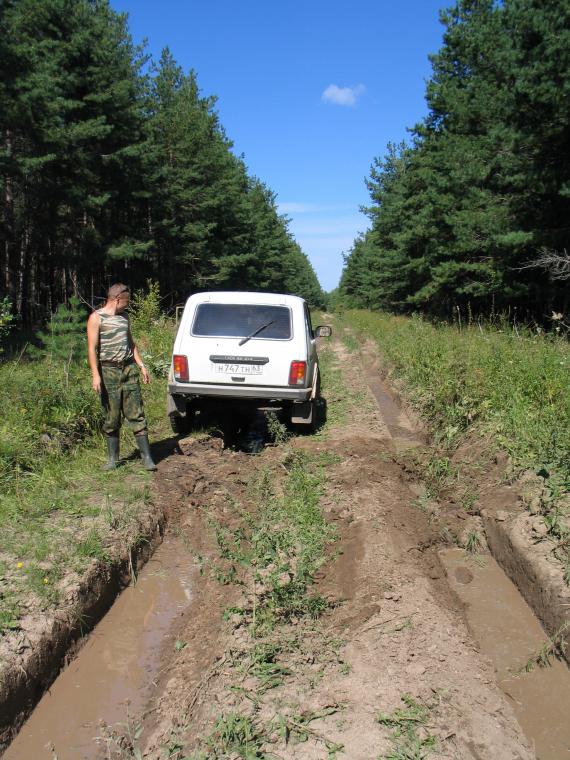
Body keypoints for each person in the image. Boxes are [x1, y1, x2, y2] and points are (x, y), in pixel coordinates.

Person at [87, 283, 157, 471]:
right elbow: (92, 349)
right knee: (112, 415)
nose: (128, 304)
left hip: (128, 369)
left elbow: (131, 344)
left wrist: (141, 365)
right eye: (127, 301)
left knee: (136, 413)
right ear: (118, 299)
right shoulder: (96, 317)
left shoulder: (124, 317)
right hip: (108, 371)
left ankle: (147, 458)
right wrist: (95, 375)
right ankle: (113, 460)